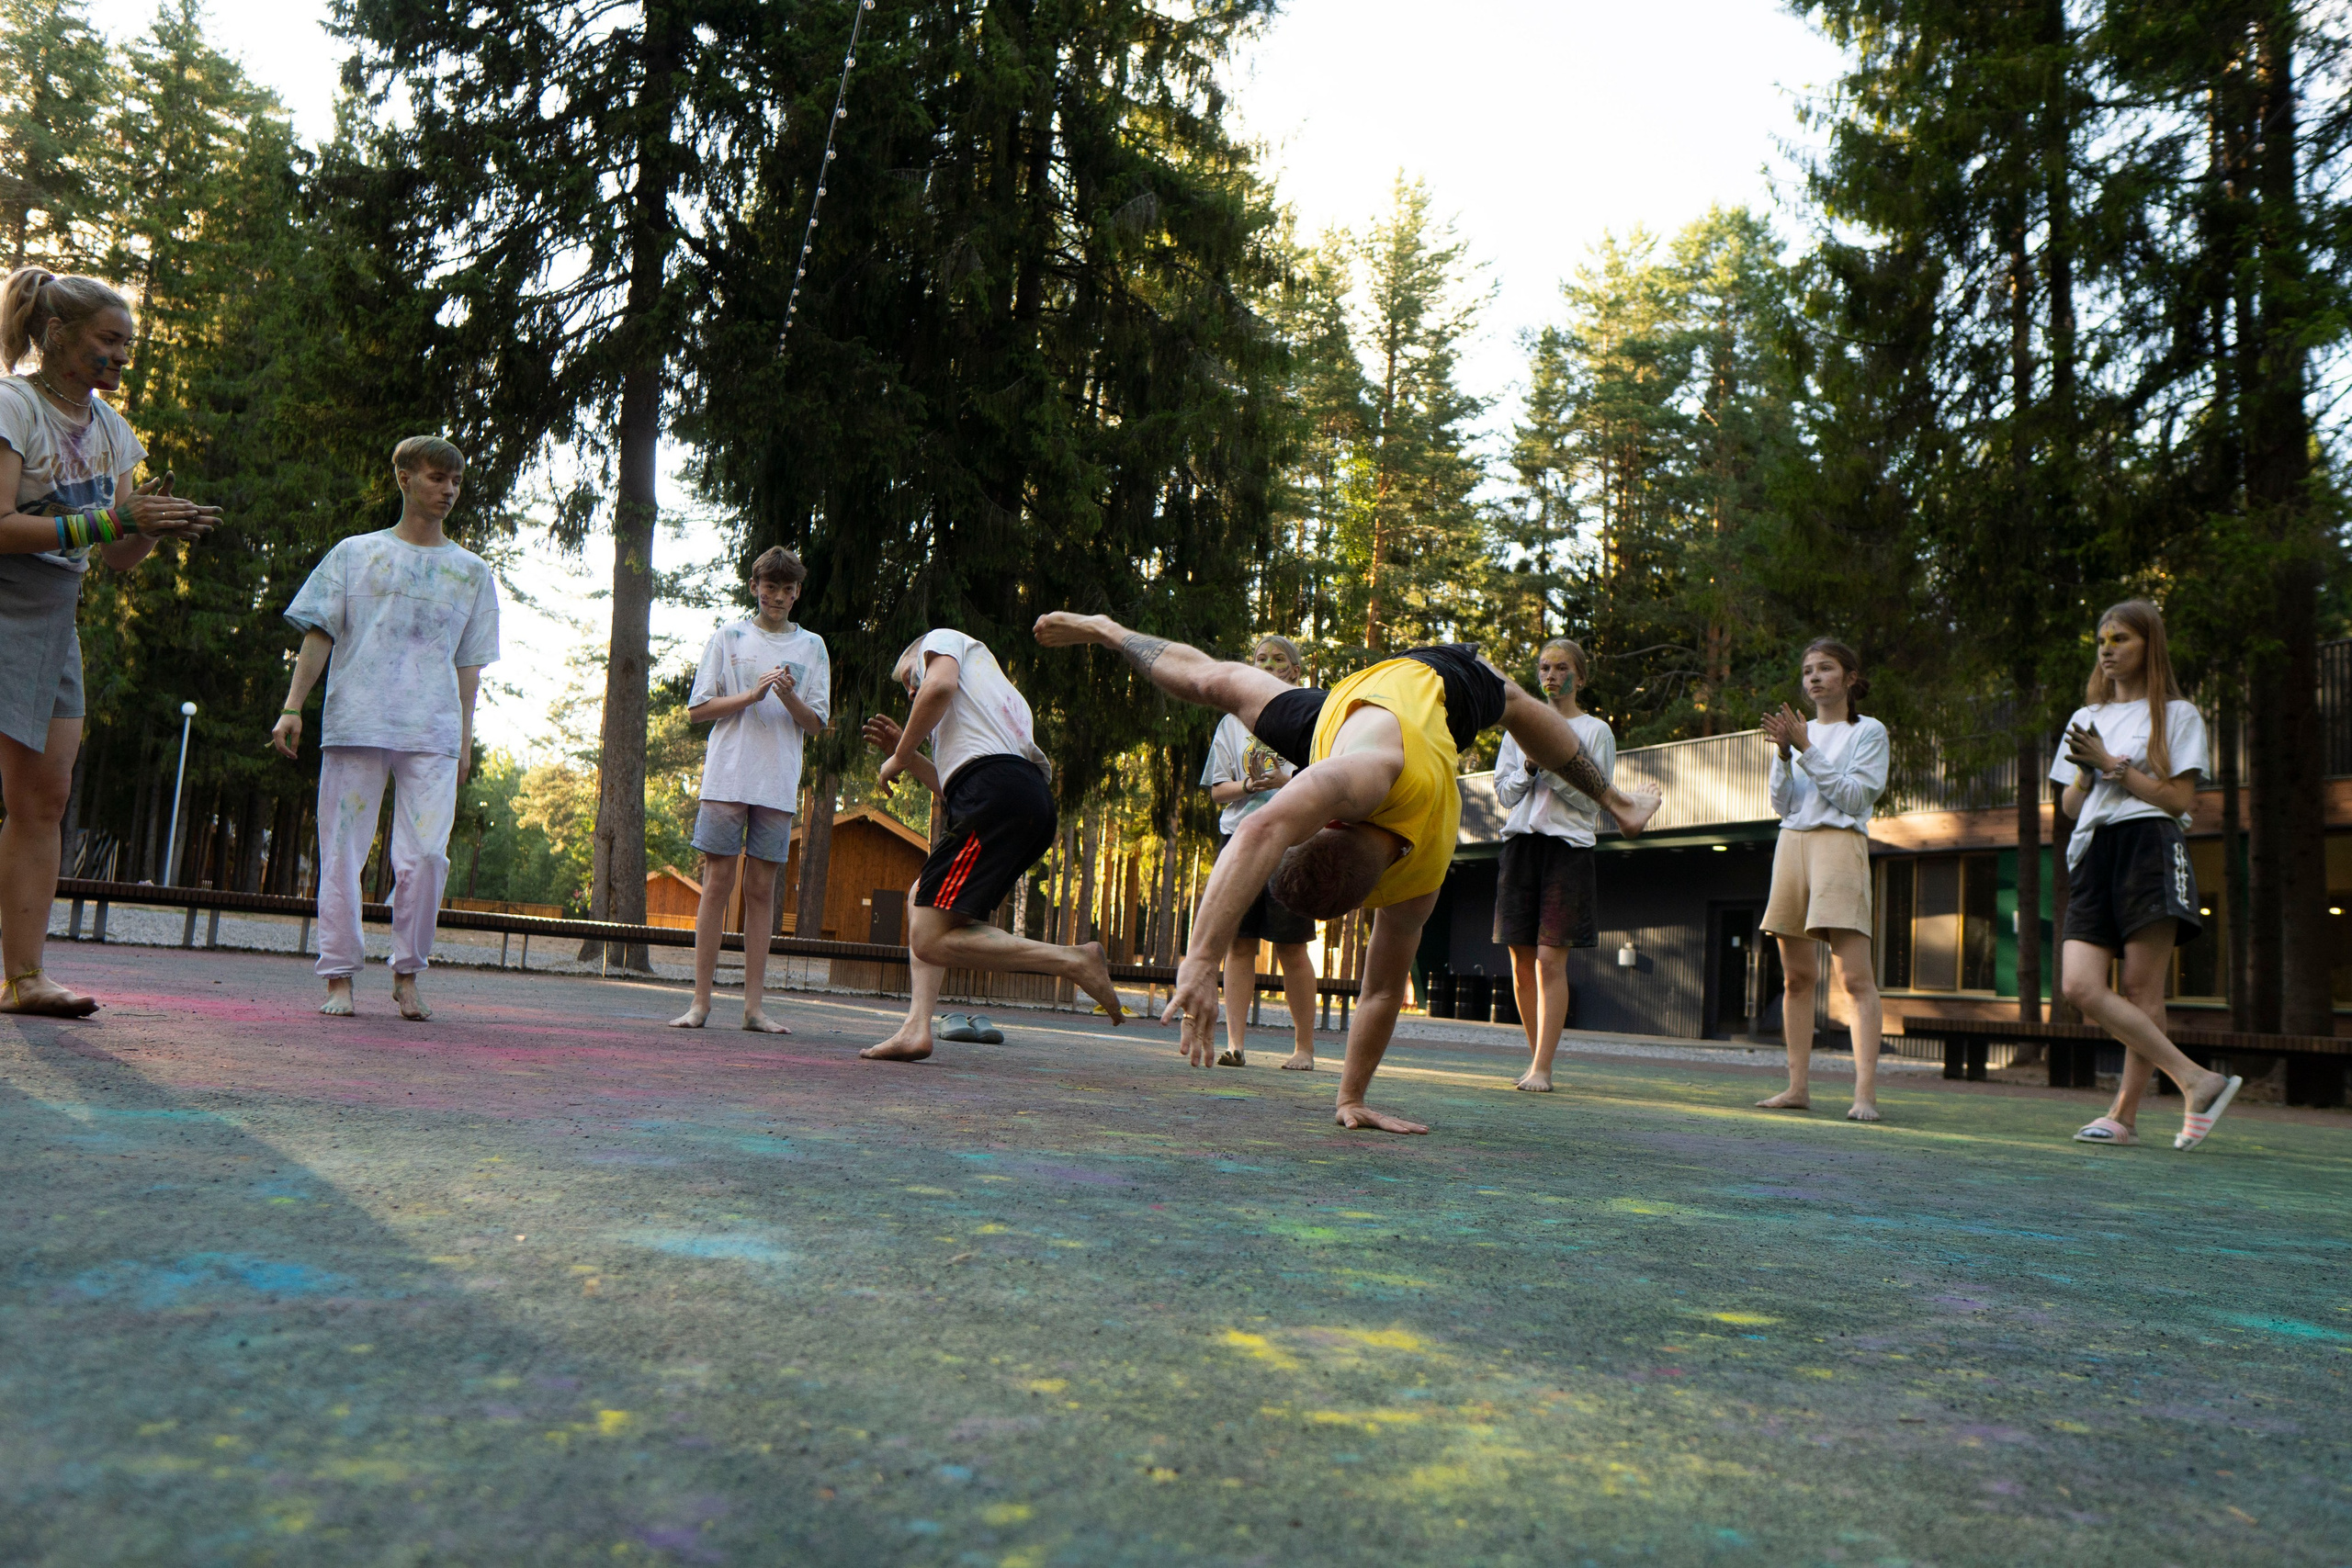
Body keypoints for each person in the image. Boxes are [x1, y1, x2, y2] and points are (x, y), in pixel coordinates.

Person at [1033, 611, 1661, 1134]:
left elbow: (1258, 831)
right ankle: (1108, 629)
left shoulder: (1392, 825)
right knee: (1219, 682)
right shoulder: (1417, 863)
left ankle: (1618, 801)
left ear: (1331, 823)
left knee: (1513, 699)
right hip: (1337, 720)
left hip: (1425, 683)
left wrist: (1201, 960)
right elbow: (1380, 990)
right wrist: (1348, 1098)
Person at [0, 267, 216, 1017]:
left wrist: (151, 525)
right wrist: (109, 524)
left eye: (128, 344)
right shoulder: (13, 405)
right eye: (108, 341)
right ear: (57, 335)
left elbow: (119, 555)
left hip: (57, 615)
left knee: (45, 797)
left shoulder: (113, 430)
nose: (122, 356)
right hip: (3, 599)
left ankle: (24, 978)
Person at [271, 436, 499, 1021]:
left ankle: (407, 973)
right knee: (343, 849)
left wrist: (465, 738)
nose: (447, 490)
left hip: (434, 729)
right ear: (403, 478)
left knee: (426, 856)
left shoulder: (472, 572)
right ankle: (339, 977)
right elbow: (320, 632)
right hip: (357, 719)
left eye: (455, 481)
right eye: (434, 477)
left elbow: (468, 666)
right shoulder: (355, 553)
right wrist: (293, 706)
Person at [856, 628, 1125, 1061]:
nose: (911, 692)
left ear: (921, 651)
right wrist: (908, 751)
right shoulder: (987, 702)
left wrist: (900, 755)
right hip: (1024, 800)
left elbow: (938, 686)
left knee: (927, 939)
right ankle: (916, 1028)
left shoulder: (942, 641)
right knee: (921, 897)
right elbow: (950, 787)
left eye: (910, 678)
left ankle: (1073, 960)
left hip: (996, 794)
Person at [2054, 600, 2242, 1151]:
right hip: (2092, 850)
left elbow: (2181, 799)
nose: (2108, 649)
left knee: (2140, 988)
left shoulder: (2177, 714)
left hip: (2149, 845)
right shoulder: (2084, 718)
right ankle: (2195, 1078)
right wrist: (2089, 774)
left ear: (2148, 645)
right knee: (2078, 986)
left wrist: (2115, 766)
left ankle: (2124, 1116)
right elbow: (2068, 806)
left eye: (2121, 639)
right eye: (2102, 641)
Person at [669, 547, 829, 1033]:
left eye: (787, 588)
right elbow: (698, 710)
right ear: (755, 587)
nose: (778, 596)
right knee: (717, 883)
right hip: (728, 775)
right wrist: (752, 695)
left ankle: (754, 1008)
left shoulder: (812, 647)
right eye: (770, 587)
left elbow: (818, 724)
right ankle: (700, 1003)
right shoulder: (729, 635)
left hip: (777, 781)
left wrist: (789, 698)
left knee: (761, 889)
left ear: (798, 592)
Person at [1755, 638, 1891, 1121]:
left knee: (1854, 978)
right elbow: (1782, 804)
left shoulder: (1869, 731)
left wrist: (1806, 748)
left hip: (1839, 844)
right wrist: (1785, 755)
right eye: (1808, 669)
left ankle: (1865, 1095)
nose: (1814, 677)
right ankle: (1797, 1088)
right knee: (1796, 977)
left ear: (1850, 678)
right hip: (1791, 843)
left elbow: (1854, 798)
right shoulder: (1799, 734)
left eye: (1825, 668)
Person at [1492, 637, 1615, 1093]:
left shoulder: (1596, 731)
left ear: (1579, 677)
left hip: (1568, 849)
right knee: (1521, 960)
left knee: (1548, 961)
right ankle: (1535, 1061)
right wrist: (1528, 766)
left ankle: (1544, 1068)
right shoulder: (1517, 728)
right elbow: (1503, 794)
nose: (1550, 675)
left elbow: (1591, 799)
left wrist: (1551, 764)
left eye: (1562, 667)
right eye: (1544, 666)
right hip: (1520, 846)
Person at [1199, 634, 1320, 1071]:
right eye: (1260, 659)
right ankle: (1235, 1045)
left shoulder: (1311, 715)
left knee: (1292, 946)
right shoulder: (1232, 722)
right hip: (1240, 840)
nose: (1268, 666)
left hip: (1291, 840)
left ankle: (1303, 1048)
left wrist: (1286, 784)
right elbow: (1217, 792)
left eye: (1278, 660)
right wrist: (1251, 785)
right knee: (1239, 944)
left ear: (1295, 670)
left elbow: (1323, 778)